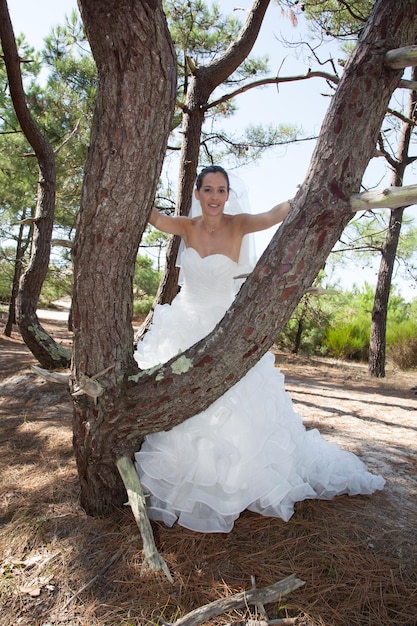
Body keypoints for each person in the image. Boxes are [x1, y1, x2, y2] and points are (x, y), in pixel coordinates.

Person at [134, 165, 385, 533]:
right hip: (183, 325)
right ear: (198, 193)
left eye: (221, 190)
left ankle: (235, 482)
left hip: (225, 328)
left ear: (228, 193)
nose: (215, 197)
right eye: (208, 190)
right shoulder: (187, 227)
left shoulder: (239, 224)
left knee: (233, 402)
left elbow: (273, 216)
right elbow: (154, 218)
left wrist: (307, 190)